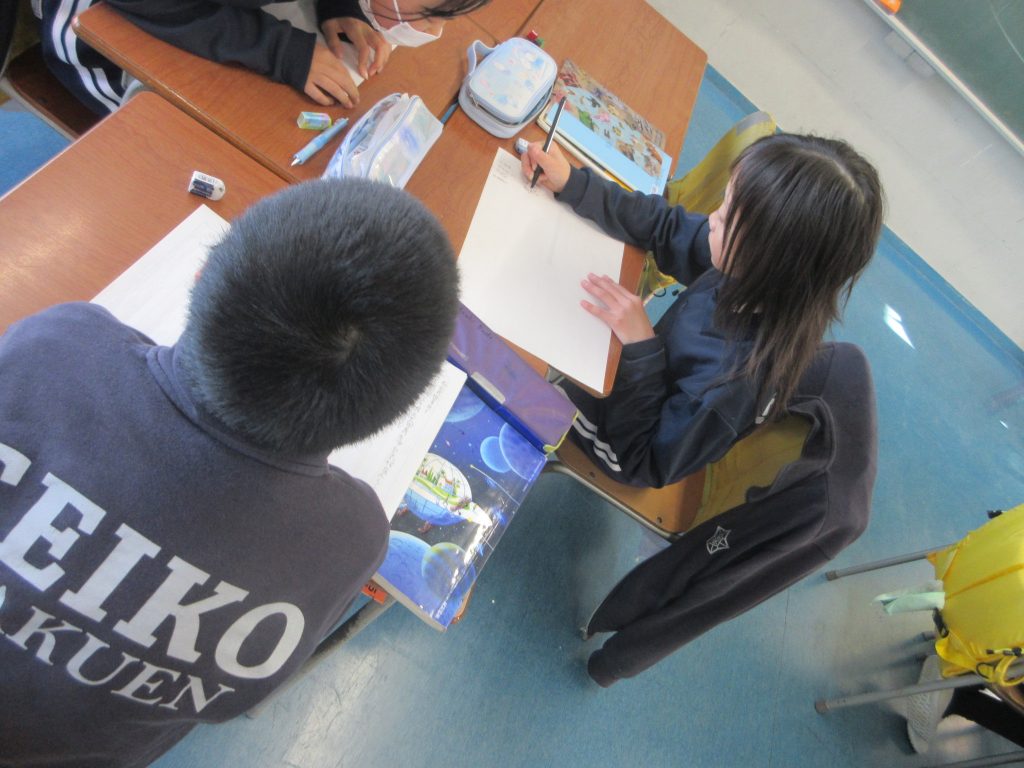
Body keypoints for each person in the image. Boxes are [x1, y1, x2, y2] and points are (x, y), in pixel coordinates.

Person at [0, 178, 460, 767]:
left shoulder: (58, 348)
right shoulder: (350, 539)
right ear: (392, 411)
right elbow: (229, 703)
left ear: (200, 275)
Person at [521, 133, 885, 488]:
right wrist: (573, 184)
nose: (712, 218)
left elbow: (641, 460)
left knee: (512, 364)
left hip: (616, 440)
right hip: (630, 374)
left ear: (772, 258)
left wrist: (642, 348)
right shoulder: (757, 273)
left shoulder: (733, 385)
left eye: (726, 218)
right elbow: (665, 227)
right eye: (725, 203)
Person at [38, 0, 489, 114]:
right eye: (429, 14)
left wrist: (339, 5)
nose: (432, 32)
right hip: (96, 24)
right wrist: (282, 51)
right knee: (155, 128)